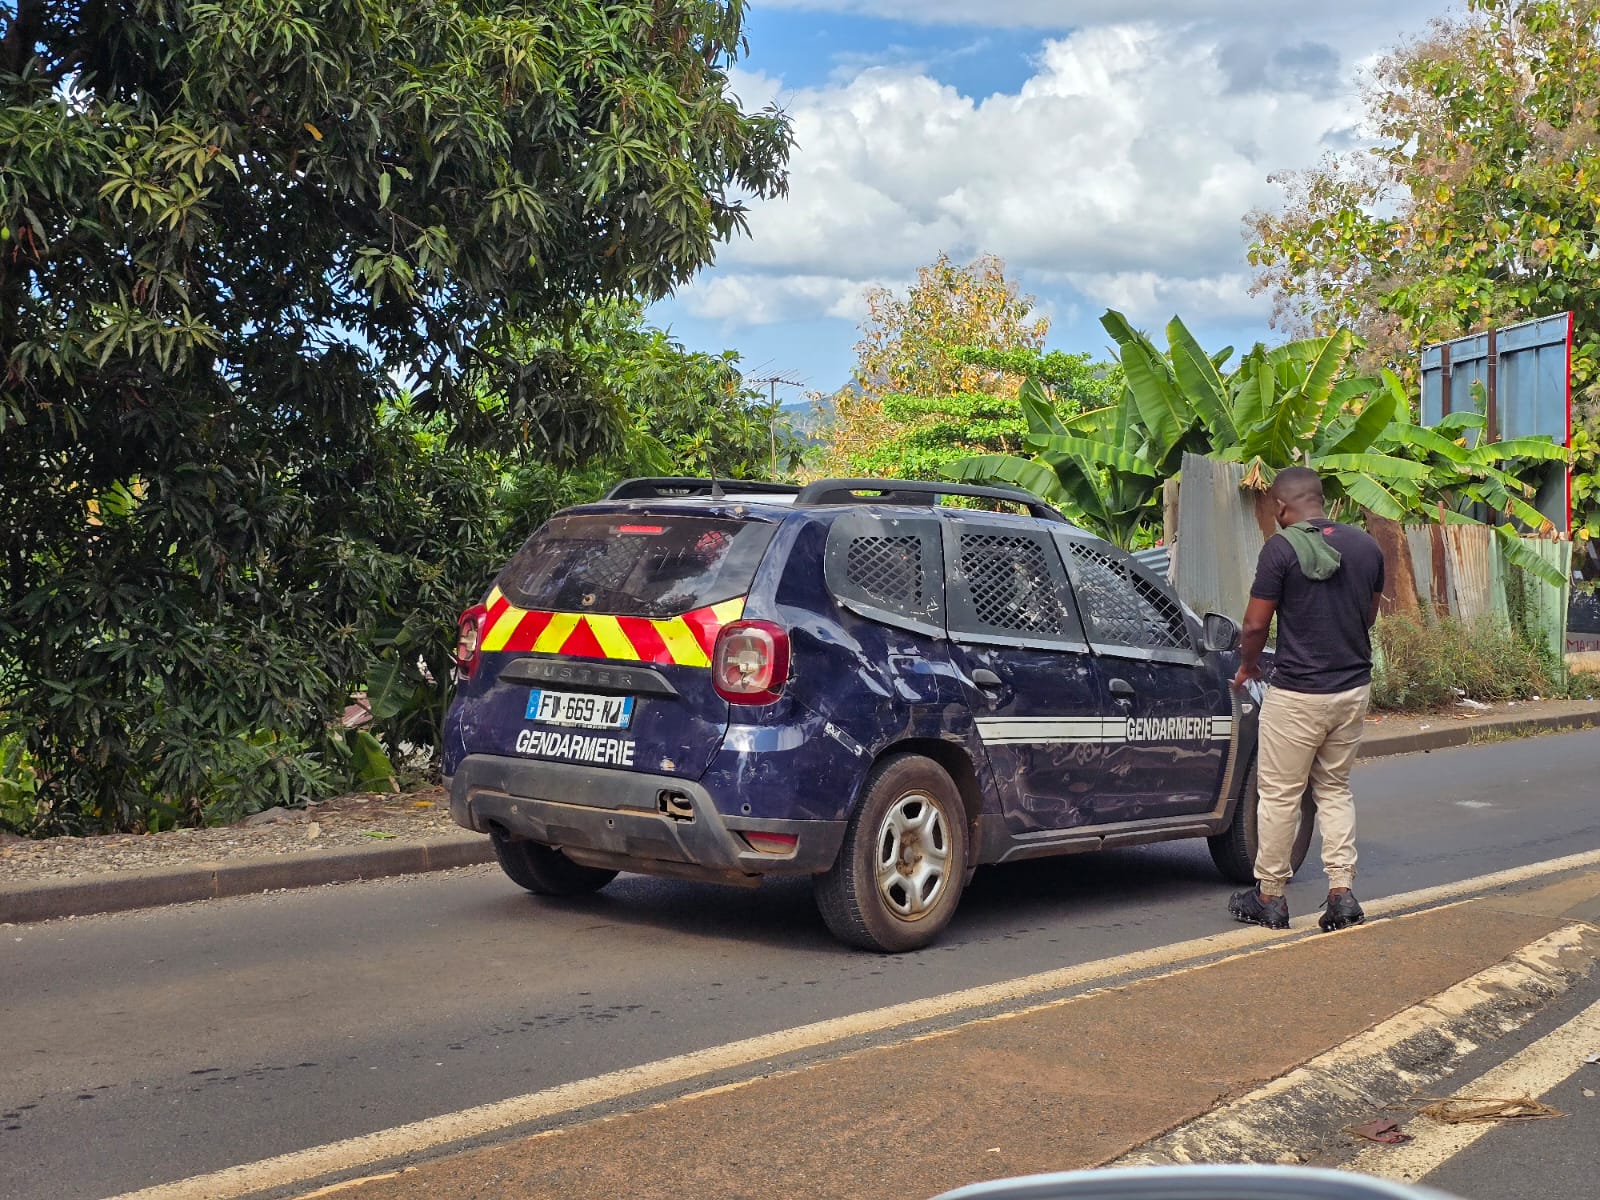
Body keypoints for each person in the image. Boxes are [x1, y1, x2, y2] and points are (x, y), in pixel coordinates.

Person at [1228, 466, 1386, 932]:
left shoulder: (1280, 549)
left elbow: (1255, 625)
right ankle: (1341, 892)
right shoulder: (1367, 545)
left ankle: (1270, 896)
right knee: (1334, 789)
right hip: (1352, 689)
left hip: (1298, 692)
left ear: (1281, 506)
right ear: (1321, 500)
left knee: (1279, 795)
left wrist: (1248, 665)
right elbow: (1370, 615)